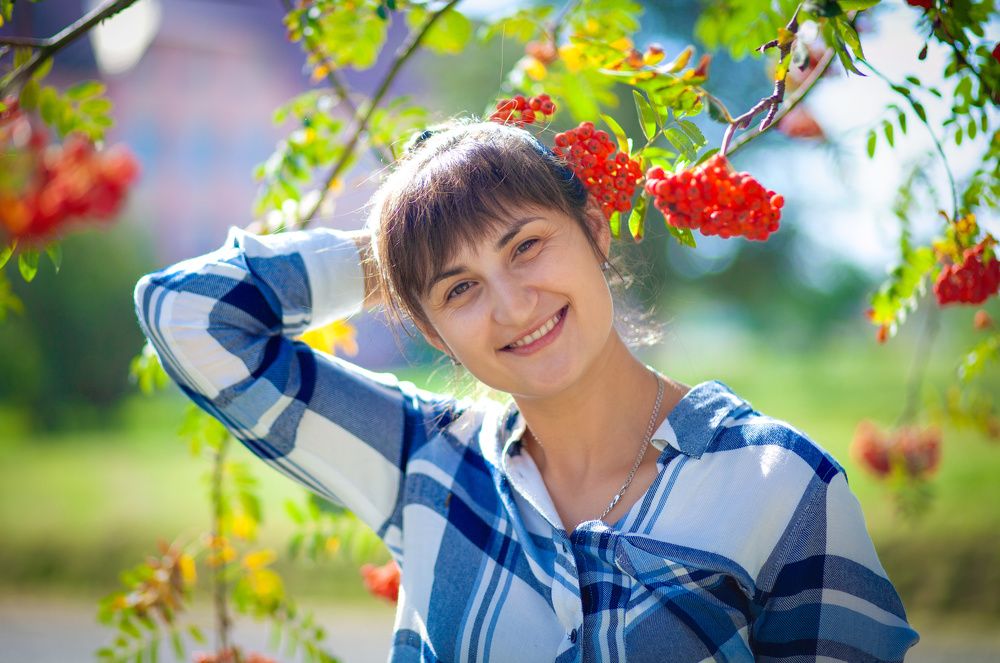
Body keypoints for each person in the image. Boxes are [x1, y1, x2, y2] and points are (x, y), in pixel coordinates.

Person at [133, 119, 920, 662]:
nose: (512, 306)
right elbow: (188, 314)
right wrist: (402, 245)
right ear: (432, 330)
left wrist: (442, 235)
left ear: (597, 230)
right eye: (459, 289)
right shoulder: (426, 462)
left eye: (528, 245)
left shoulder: (779, 485)